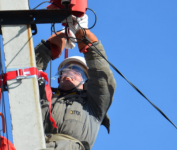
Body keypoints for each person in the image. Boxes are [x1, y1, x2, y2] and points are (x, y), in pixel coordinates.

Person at [34, 14, 116, 150]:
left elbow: (103, 79)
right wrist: (50, 46)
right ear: (59, 78)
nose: (69, 72)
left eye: (77, 71)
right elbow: (27, 75)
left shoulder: (94, 105)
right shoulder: (44, 98)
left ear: (86, 81)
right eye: (65, 69)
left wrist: (83, 34)